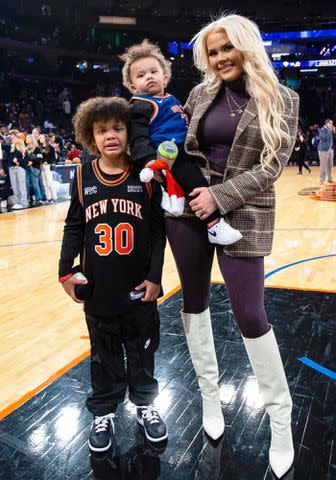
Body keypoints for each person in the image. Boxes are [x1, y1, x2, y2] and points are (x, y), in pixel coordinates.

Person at [164, 15, 299, 479]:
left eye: (227, 48)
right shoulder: (199, 94)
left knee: (250, 315)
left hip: (243, 212)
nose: (220, 58)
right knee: (194, 303)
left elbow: (271, 165)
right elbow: (185, 148)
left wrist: (219, 196)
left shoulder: (283, 99)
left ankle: (280, 420)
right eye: (213, 51)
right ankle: (209, 399)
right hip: (187, 214)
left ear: (246, 47)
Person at [58, 97, 167, 452]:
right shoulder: (82, 175)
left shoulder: (145, 173)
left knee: (142, 353)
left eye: (117, 128)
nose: (110, 136)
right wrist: (65, 273)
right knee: (103, 357)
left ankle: (146, 406)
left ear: (129, 130)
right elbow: (74, 228)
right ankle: (103, 412)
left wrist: (155, 276)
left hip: (139, 288)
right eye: (101, 130)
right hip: (100, 288)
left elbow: (157, 231)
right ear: (90, 135)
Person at [120, 40, 242, 246]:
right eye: (141, 76)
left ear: (165, 77)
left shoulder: (171, 99)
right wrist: (149, 160)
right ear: (133, 87)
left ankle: (176, 197)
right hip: (169, 154)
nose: (148, 77)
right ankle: (214, 224)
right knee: (198, 185)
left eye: (153, 72)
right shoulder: (141, 105)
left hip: (183, 149)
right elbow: (138, 137)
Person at [317, 118, 336, 185]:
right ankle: (321, 180)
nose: (332, 125)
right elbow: (324, 137)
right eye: (331, 123)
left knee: (330, 165)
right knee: (323, 165)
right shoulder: (322, 130)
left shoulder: (330, 130)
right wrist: (329, 130)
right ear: (327, 123)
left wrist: (334, 132)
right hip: (323, 150)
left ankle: (330, 179)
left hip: (330, 149)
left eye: (332, 123)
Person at [38, 134, 57, 203]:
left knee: (49, 182)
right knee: (44, 183)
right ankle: (48, 198)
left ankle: (54, 197)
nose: (40, 138)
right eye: (40, 138)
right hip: (41, 166)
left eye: (42, 137)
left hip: (47, 166)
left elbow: (53, 158)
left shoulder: (50, 148)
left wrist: (47, 162)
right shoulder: (39, 148)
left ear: (45, 138)